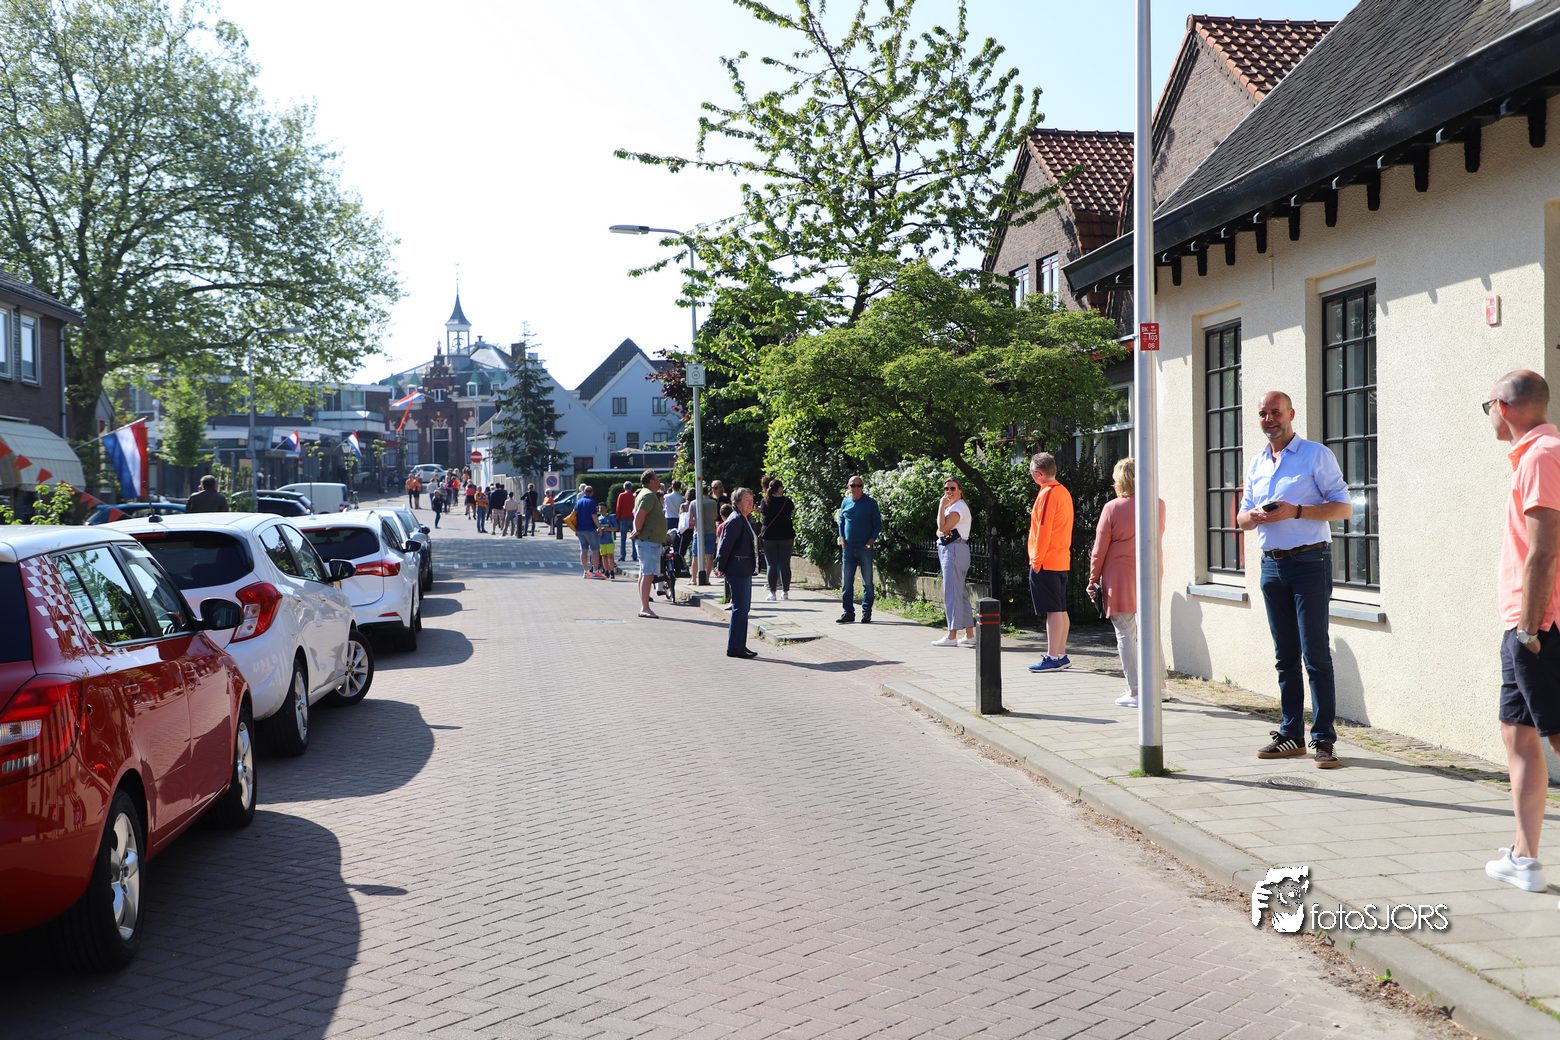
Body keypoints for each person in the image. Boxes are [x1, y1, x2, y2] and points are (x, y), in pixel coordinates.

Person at [1236, 389, 1353, 767]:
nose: (1269, 419)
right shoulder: (1257, 462)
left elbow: (1344, 508)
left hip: (1309, 562)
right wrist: (1253, 517)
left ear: (1291, 414)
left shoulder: (1315, 455)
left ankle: (1324, 740)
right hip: (1271, 566)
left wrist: (1296, 511)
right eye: (1263, 414)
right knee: (1284, 656)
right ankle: (1291, 734)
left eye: (1276, 412)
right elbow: (1240, 517)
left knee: (1314, 653)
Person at [1483, 370, 1560, 895]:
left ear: (1503, 407)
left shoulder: (1541, 456)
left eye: (1487, 406)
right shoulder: (1536, 455)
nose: (1487, 415)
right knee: (1517, 731)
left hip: (1541, 624)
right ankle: (1523, 858)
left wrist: (1531, 628)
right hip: (1524, 623)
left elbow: (1543, 550)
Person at [1088, 458, 1165, 707]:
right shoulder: (1158, 505)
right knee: (1149, 630)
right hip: (1151, 571)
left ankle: (1135, 690)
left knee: (1125, 632)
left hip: (1120, 575)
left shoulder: (1112, 508)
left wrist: (1093, 579)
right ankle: (1160, 686)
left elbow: (1099, 549)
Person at [1026, 452, 1074, 672]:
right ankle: (1061, 654)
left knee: (1053, 611)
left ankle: (1052, 656)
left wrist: (1036, 560)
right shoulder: (1063, 491)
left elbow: (1043, 530)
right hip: (1060, 558)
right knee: (1060, 609)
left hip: (1047, 560)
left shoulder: (1047, 494)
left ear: (1039, 474)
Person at [714, 487, 759, 658]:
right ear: (738, 502)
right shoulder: (735, 520)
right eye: (747, 500)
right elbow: (725, 545)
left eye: (751, 500)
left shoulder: (743, 518)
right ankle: (735, 647)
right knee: (740, 609)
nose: (750, 503)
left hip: (743, 568)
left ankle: (740, 645)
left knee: (743, 608)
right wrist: (720, 567)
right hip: (738, 569)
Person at [931, 476, 974, 647]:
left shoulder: (958, 508)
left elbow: (942, 528)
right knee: (960, 594)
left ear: (960, 490)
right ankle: (970, 635)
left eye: (953, 488)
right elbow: (939, 530)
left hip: (954, 551)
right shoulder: (954, 507)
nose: (949, 492)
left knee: (951, 593)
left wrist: (941, 506)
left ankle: (951, 635)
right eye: (946, 489)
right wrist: (942, 529)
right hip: (954, 550)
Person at [836, 475, 881, 624]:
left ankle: (866, 613)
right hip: (848, 549)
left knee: (867, 583)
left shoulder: (870, 503)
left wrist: (870, 542)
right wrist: (842, 539)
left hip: (864, 548)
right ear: (848, 487)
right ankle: (848, 613)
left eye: (858, 485)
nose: (856, 488)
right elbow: (841, 522)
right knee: (846, 583)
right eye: (852, 485)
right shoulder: (845, 502)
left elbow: (877, 525)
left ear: (862, 487)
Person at [631, 470, 669, 619]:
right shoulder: (649, 495)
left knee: (644, 573)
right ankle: (645, 608)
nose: (659, 481)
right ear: (651, 481)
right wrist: (638, 530)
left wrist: (637, 530)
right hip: (649, 541)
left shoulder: (644, 494)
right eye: (657, 478)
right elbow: (639, 515)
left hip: (648, 540)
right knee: (648, 574)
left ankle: (644, 605)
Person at [760, 478, 795, 602]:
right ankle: (785, 592)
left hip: (769, 537)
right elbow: (792, 511)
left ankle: (772, 593)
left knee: (771, 565)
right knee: (785, 564)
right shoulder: (787, 501)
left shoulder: (765, 501)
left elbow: (763, 515)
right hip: (786, 536)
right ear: (779, 488)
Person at [574, 484, 601, 577]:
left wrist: (575, 529)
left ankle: (586, 571)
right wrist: (599, 527)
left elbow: (574, 515)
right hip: (590, 529)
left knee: (583, 550)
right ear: (592, 492)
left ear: (584, 492)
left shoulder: (578, 502)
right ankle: (595, 571)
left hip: (580, 529)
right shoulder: (591, 502)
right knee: (595, 550)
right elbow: (594, 516)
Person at [615, 481, 638, 562]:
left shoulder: (621, 495)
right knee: (634, 537)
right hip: (633, 518)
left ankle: (623, 555)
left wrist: (618, 517)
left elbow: (618, 507)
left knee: (623, 539)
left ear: (624, 487)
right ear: (631, 487)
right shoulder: (634, 495)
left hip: (623, 518)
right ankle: (635, 555)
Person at [598, 504, 617, 578]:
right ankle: (606, 571)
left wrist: (607, 529)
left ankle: (612, 571)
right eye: (600, 508)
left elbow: (616, 528)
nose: (601, 510)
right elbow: (595, 529)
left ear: (606, 509)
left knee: (610, 556)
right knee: (604, 556)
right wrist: (598, 530)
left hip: (609, 540)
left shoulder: (610, 517)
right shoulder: (598, 518)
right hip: (601, 541)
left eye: (603, 508)